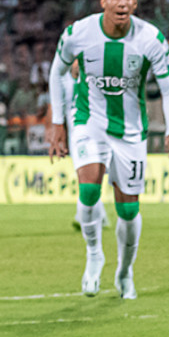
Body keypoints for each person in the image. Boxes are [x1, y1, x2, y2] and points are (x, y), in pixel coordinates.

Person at [46, 0, 169, 300]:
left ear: (135, 3)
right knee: (90, 189)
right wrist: (57, 122)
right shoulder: (79, 33)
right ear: (103, 1)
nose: (122, 2)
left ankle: (125, 271)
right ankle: (94, 255)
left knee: (127, 210)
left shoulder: (151, 38)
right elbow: (57, 70)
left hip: (130, 132)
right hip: (88, 121)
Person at [62, 59, 111, 232]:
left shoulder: (93, 82)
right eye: (75, 63)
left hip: (93, 134)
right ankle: (96, 216)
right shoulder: (65, 82)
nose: (77, 66)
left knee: (91, 176)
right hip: (75, 136)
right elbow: (58, 109)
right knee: (88, 177)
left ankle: (88, 216)